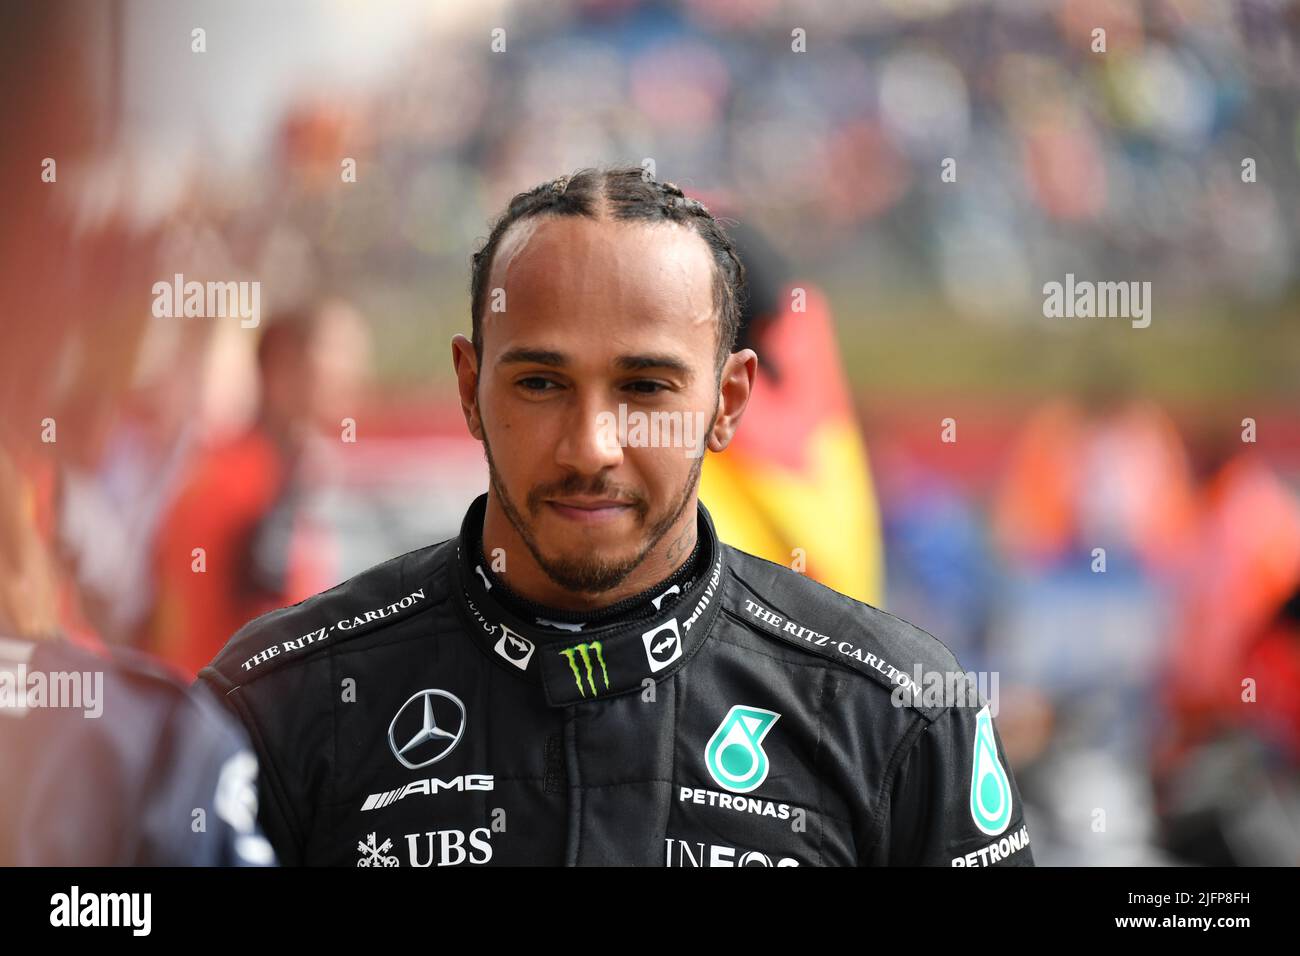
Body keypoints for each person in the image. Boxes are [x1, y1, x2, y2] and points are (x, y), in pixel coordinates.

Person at [199, 166, 1033, 866]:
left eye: (644, 387)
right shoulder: (278, 700)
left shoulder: (901, 713)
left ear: (727, 401)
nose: (591, 446)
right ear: (469, 388)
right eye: (539, 383)